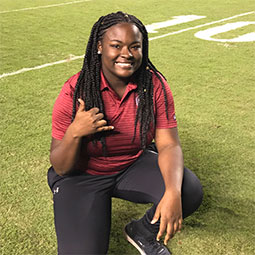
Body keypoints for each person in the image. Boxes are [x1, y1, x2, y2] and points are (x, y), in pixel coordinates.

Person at [47, 11, 203, 255]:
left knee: (187, 189)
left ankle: (142, 232)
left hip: (131, 164)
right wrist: (75, 133)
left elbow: (169, 145)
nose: (127, 54)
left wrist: (172, 192)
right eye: (116, 46)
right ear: (99, 47)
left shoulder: (154, 85)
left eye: (135, 46)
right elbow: (61, 167)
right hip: (82, 175)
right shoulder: (74, 90)